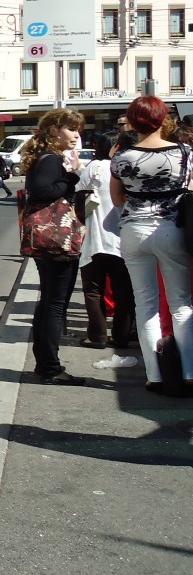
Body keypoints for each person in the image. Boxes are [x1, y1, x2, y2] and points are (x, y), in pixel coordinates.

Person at [110, 95, 193, 394]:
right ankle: (188, 372)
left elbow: (118, 199)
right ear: (163, 119)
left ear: (132, 122)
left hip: (133, 231)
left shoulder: (122, 158)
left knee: (145, 305)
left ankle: (155, 376)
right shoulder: (184, 153)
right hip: (172, 229)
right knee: (180, 304)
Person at [21, 107, 86, 385]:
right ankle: (50, 367)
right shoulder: (50, 160)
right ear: (53, 131)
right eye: (71, 129)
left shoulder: (47, 157)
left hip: (48, 240)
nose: (76, 134)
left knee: (49, 301)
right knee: (55, 304)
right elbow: (41, 190)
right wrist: (72, 177)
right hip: (55, 241)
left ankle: (46, 364)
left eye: (77, 129)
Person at [75, 131, 135, 350]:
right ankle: (121, 338)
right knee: (124, 293)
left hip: (95, 240)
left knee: (93, 291)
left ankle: (97, 337)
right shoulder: (129, 168)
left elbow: (79, 193)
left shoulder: (95, 167)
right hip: (124, 242)